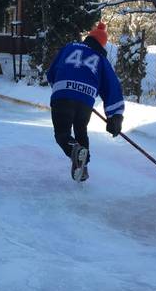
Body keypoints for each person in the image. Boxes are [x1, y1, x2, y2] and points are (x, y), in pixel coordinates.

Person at [47, 22, 125, 182]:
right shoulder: (101, 60)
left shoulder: (69, 48)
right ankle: (82, 168)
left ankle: (74, 150)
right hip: (85, 100)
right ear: (102, 44)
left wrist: (59, 85)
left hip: (63, 95)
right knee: (80, 130)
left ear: (88, 38)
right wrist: (114, 116)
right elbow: (112, 87)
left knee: (62, 133)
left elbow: (52, 72)